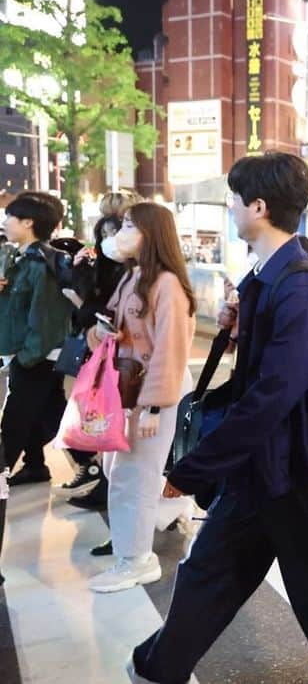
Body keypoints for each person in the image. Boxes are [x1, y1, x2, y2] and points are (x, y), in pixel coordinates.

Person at [129, 152, 308, 684]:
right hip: (264, 463)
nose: (231, 208)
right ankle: (158, 668)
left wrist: (194, 467)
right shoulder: (271, 275)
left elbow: (271, 395)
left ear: (259, 206)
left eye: (234, 200)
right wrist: (241, 324)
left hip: (294, 463)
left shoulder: (301, 287)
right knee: (215, 570)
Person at [85, 203, 198, 593]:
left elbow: (170, 350)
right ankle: (136, 548)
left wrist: (154, 405)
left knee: (134, 476)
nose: (122, 232)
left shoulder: (166, 284)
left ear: (152, 233)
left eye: (131, 225)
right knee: (122, 474)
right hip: (127, 391)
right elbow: (112, 328)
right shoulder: (133, 276)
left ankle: (135, 560)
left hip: (152, 394)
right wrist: (100, 336)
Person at [54, 212, 128, 519]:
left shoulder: (146, 277)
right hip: (106, 358)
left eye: (120, 230)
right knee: (100, 424)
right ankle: (101, 480)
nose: (113, 239)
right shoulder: (101, 268)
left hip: (129, 371)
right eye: (106, 233)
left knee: (125, 449)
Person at [0, 191, 71, 486]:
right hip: (25, 353)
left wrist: (25, 357)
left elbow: (46, 320)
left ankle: (3, 470)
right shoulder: (16, 259)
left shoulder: (42, 263)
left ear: (28, 222)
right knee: (47, 412)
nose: (5, 222)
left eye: (10, 217)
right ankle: (36, 466)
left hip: (37, 356)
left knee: (15, 421)